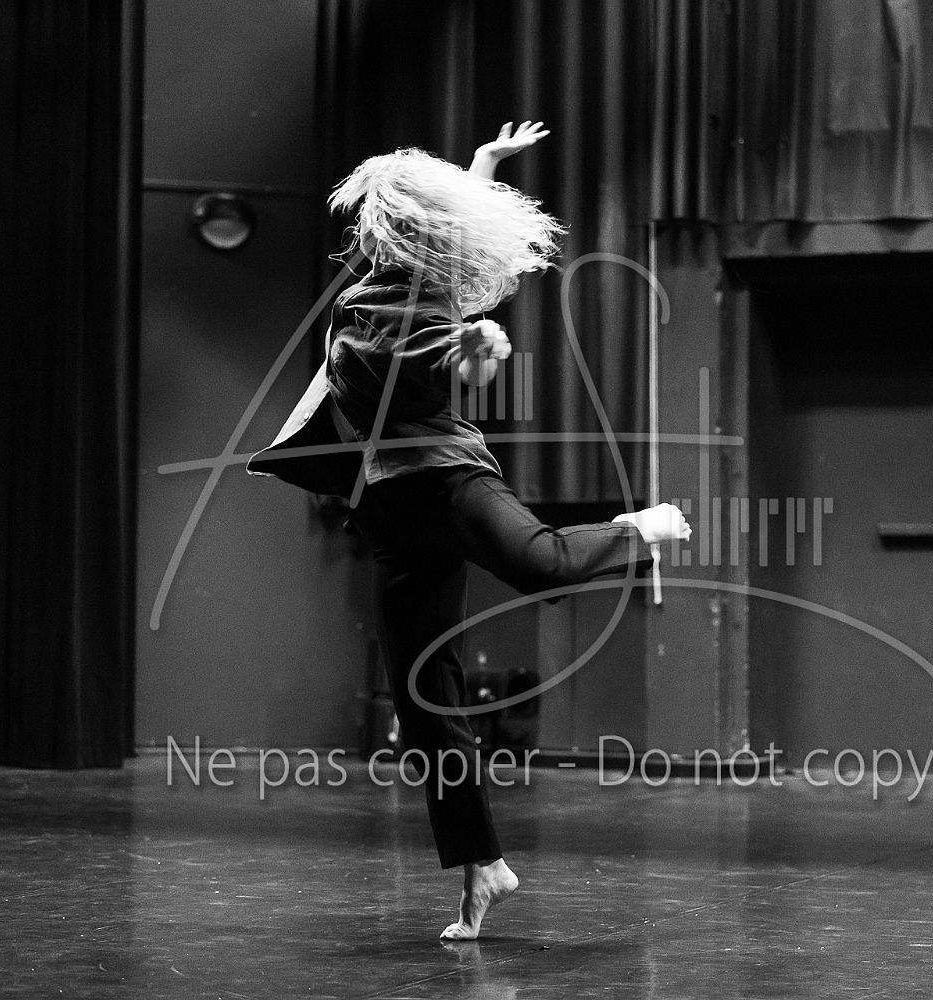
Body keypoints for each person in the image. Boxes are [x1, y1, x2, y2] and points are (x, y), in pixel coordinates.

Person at [248, 121, 691, 941]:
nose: (373, 231)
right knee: (426, 703)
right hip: (390, 513)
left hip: (444, 479)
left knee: (540, 565)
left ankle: (637, 530)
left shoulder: (422, 304)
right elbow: (442, 284)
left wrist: (476, 351)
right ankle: (482, 866)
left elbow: (440, 365)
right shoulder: (380, 287)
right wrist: (483, 164)